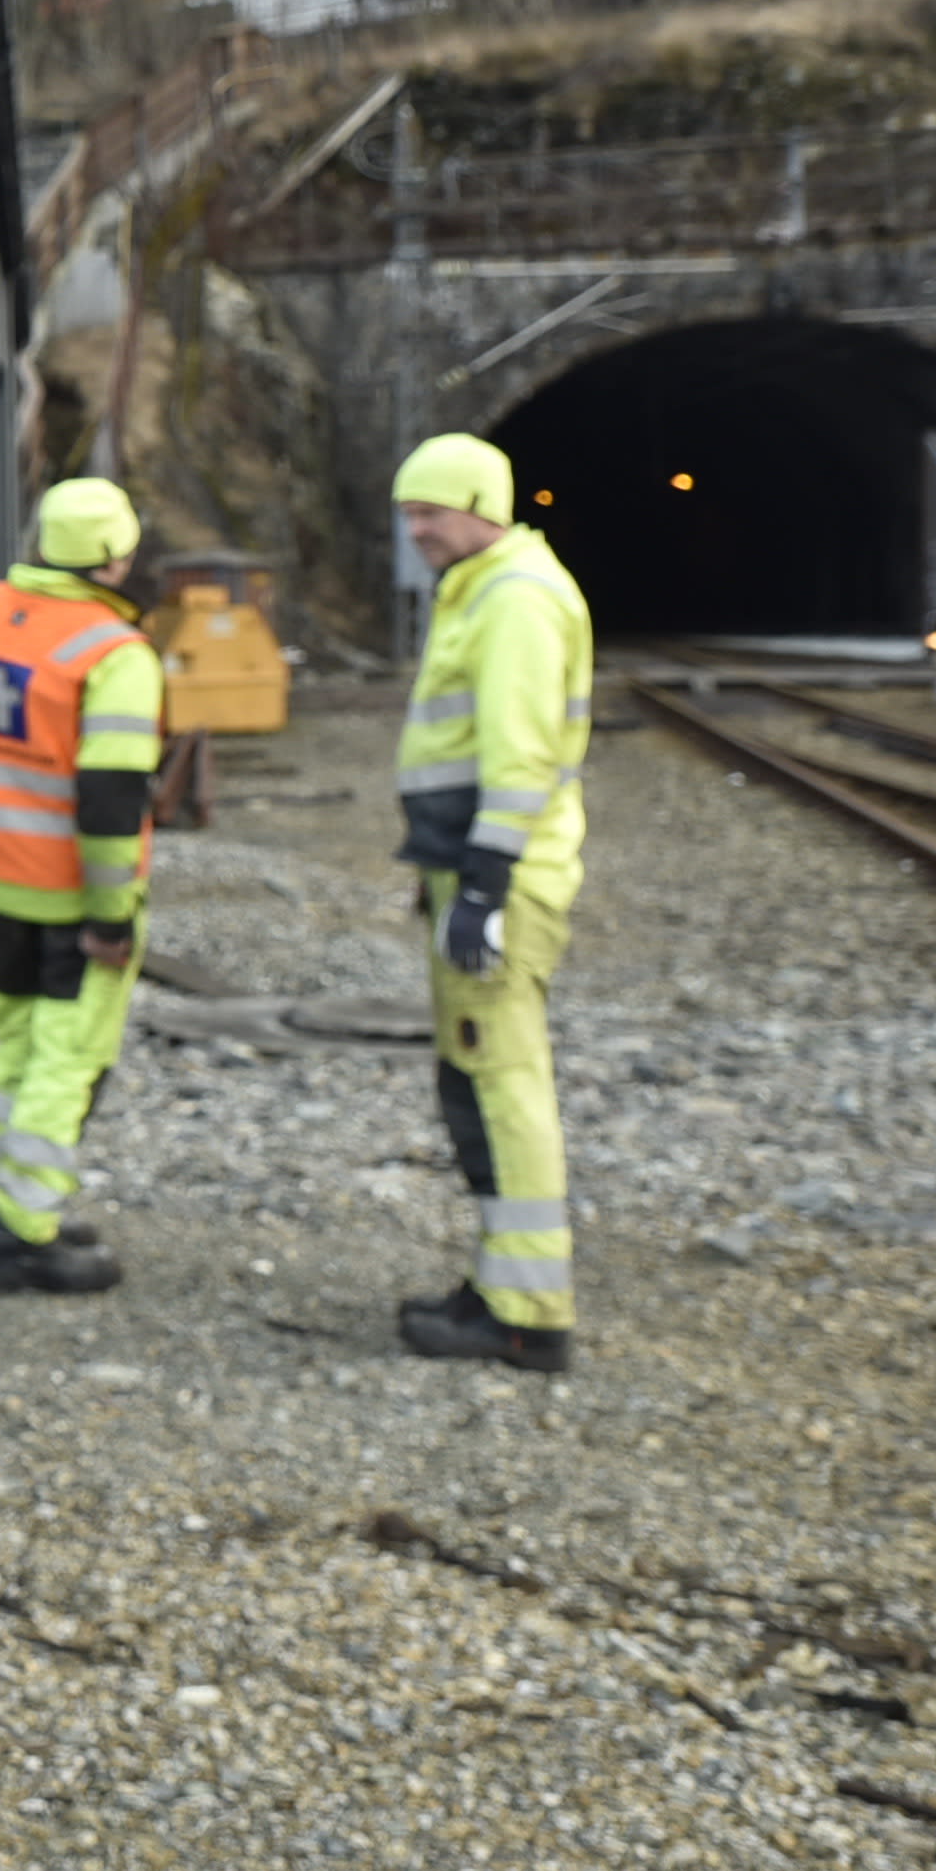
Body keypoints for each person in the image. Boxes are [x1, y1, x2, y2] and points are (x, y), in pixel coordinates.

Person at [384, 433, 591, 1373]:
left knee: (503, 1083)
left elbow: (520, 759)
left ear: (479, 506)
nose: (416, 532)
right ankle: (502, 1282)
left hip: (502, 880)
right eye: (408, 514)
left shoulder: (514, 600)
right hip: (476, 872)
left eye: (429, 512)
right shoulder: (484, 589)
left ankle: (527, 1314)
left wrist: (482, 886)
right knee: (477, 1077)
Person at [0, 478, 165, 1295]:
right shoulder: (115, 654)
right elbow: (111, 802)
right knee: (66, 1061)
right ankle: (23, 1237)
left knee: (15, 1047)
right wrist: (112, 914)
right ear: (117, 558)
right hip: (69, 895)